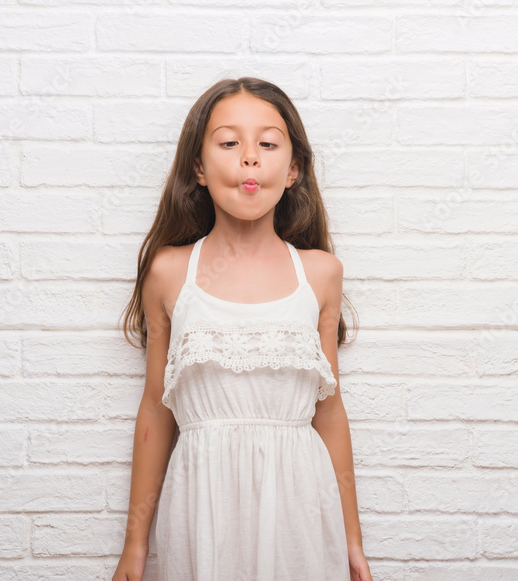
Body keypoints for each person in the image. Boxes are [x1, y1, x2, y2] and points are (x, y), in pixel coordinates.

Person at [112, 77, 372, 581]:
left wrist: (352, 540)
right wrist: (135, 544)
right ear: (199, 168)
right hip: (201, 500)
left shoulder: (320, 273)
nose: (249, 158)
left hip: (300, 501)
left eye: (268, 144)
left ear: (293, 169)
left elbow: (331, 412)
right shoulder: (169, 273)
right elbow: (155, 409)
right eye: (230, 143)